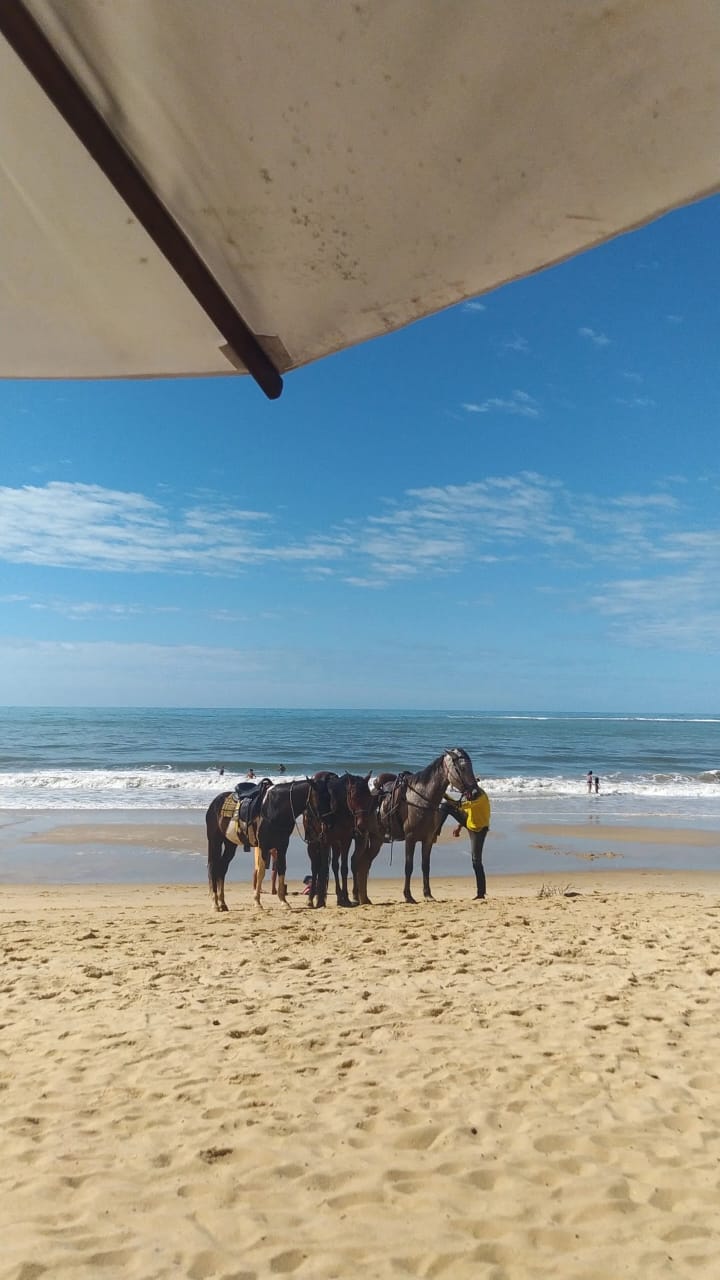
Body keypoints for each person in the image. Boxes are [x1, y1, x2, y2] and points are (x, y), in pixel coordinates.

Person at [439, 780, 491, 900]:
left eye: (467, 793)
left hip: (478, 830)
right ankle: (435, 831)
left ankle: (481, 893)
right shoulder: (473, 794)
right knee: (445, 806)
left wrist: (444, 794)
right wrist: (459, 826)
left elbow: (459, 805)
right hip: (469, 821)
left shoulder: (480, 798)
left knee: (476, 861)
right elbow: (467, 811)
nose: (465, 795)